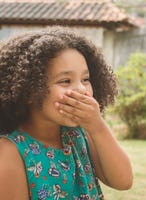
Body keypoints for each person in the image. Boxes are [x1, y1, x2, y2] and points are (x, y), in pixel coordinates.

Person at [0, 27, 133, 199]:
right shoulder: (9, 152)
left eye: (85, 79)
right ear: (28, 91)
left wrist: (97, 126)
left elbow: (123, 181)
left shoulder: (79, 134)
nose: (81, 89)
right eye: (65, 81)